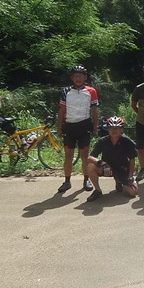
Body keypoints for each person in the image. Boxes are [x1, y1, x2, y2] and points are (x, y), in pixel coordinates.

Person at [57, 65, 99, 193]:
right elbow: (62, 110)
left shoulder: (91, 91)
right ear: (72, 78)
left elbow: (95, 111)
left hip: (84, 125)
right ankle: (67, 181)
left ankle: (86, 180)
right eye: (76, 76)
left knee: (84, 156)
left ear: (85, 78)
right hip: (69, 126)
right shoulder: (65, 91)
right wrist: (59, 127)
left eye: (81, 76)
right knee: (68, 155)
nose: (78, 78)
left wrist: (95, 126)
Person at [85, 116, 138, 202]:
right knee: (90, 166)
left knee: (133, 192)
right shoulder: (102, 141)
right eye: (111, 128)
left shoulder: (127, 142)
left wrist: (130, 177)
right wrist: (102, 163)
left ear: (121, 129)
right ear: (108, 129)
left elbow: (132, 160)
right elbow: (89, 157)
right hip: (107, 169)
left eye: (117, 128)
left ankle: (119, 181)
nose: (114, 130)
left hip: (122, 169)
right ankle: (98, 190)